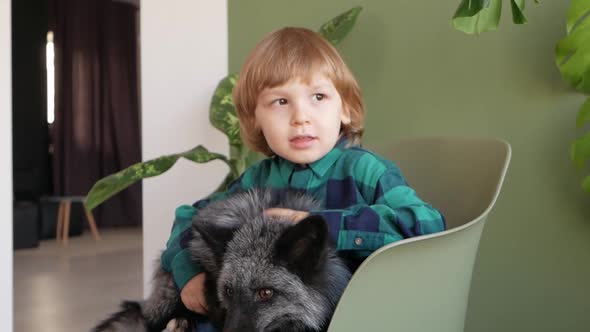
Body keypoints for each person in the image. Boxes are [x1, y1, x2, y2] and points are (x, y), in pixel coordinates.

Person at [160, 26, 445, 326]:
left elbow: (425, 223)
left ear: (345, 109)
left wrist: (326, 227)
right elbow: (191, 217)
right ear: (256, 119)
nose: (300, 117)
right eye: (281, 102)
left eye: (318, 97)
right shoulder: (256, 179)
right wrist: (188, 272)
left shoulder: (365, 171)